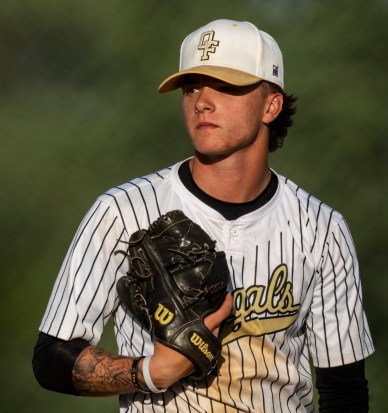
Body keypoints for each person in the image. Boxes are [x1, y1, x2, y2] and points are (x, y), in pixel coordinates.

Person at [32, 18, 374, 412]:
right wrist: (147, 372)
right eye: (191, 87)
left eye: (226, 86)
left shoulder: (322, 229)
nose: (202, 101)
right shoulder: (122, 211)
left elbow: (344, 392)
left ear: (271, 104)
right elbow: (51, 357)